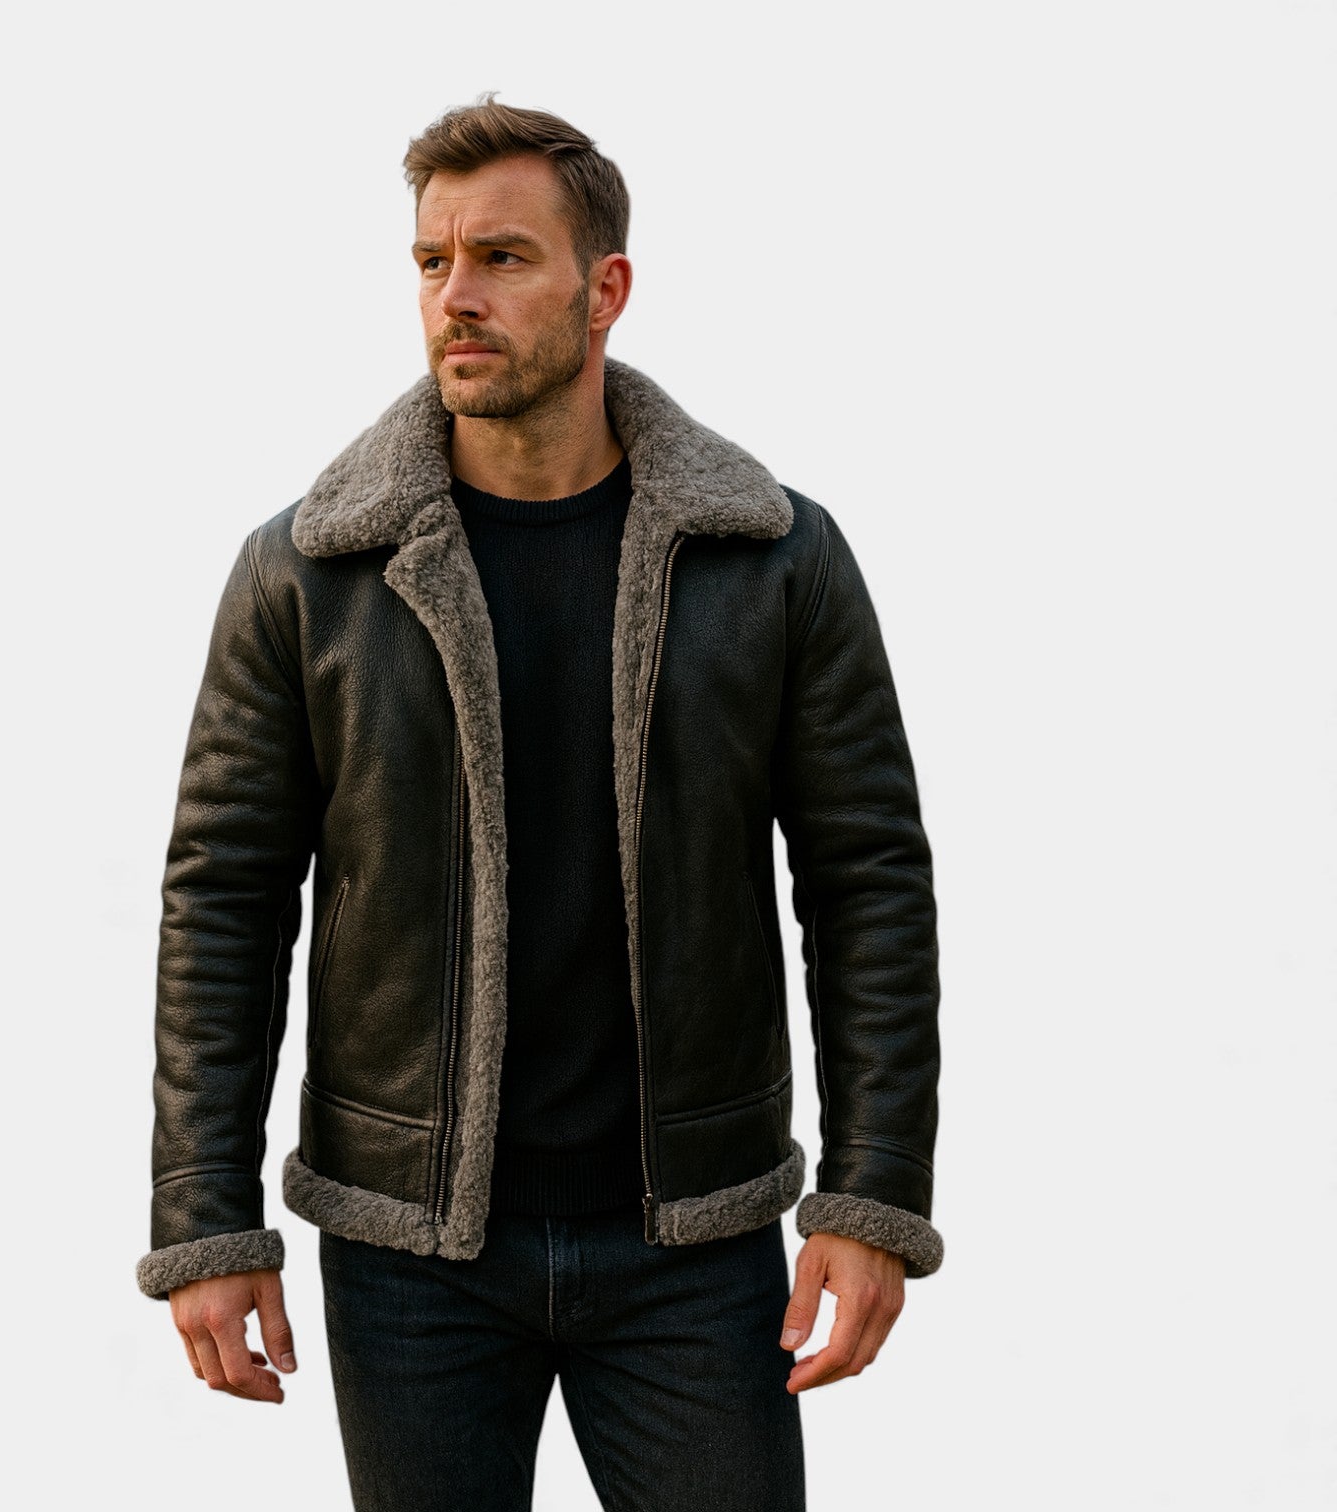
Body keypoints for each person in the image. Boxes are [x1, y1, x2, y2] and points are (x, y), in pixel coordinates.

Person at [136, 95, 942, 1512]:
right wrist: (206, 1217)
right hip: (410, 1253)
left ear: (604, 287)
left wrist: (872, 1193)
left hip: (694, 1241)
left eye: (503, 257)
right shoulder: (310, 573)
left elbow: (867, 880)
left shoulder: (771, 558)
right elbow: (225, 898)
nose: (457, 295)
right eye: (431, 261)